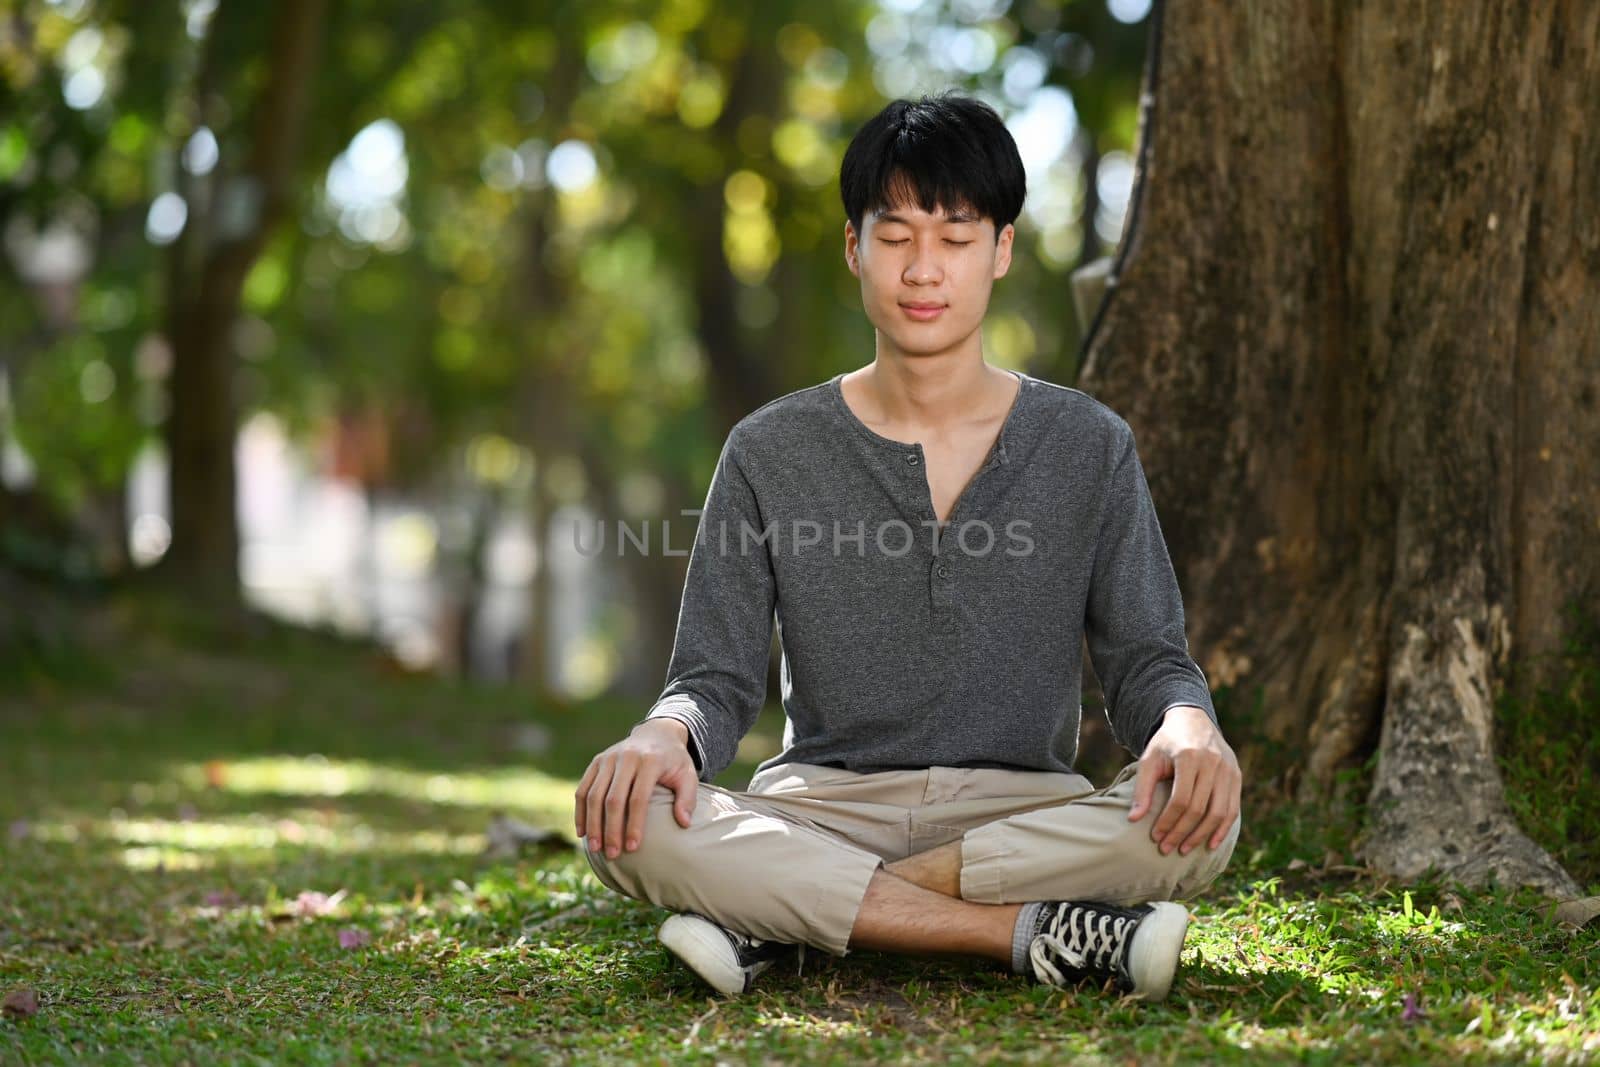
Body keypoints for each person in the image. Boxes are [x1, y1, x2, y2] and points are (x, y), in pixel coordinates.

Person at [574, 92, 1242, 1003]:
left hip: (1018, 807)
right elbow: (714, 680)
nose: (924, 269)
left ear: (1002, 250)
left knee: (1200, 819)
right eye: (896, 238)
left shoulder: (1088, 444)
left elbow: (1149, 661)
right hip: (819, 803)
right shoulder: (770, 450)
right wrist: (664, 735)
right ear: (855, 249)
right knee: (630, 818)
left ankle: (781, 913)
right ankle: (1029, 934)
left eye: (956, 238)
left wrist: (1188, 722)